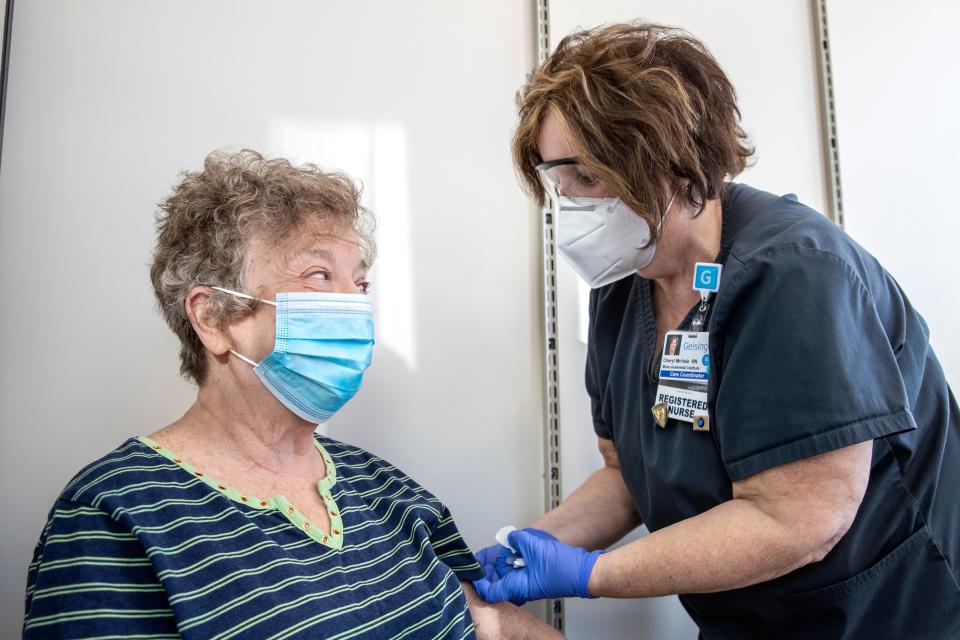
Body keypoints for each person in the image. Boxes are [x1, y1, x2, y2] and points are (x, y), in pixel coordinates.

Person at [474, 22, 960, 638]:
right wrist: (536, 544)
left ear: (673, 160)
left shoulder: (797, 274)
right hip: (747, 615)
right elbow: (626, 475)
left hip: (881, 615)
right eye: (557, 184)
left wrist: (591, 574)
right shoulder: (622, 286)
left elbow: (798, 519)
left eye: (587, 178)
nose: (571, 207)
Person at [23, 150, 560, 639]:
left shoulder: (382, 487)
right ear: (213, 317)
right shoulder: (117, 514)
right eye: (319, 275)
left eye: (360, 283)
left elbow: (495, 625)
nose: (355, 305)